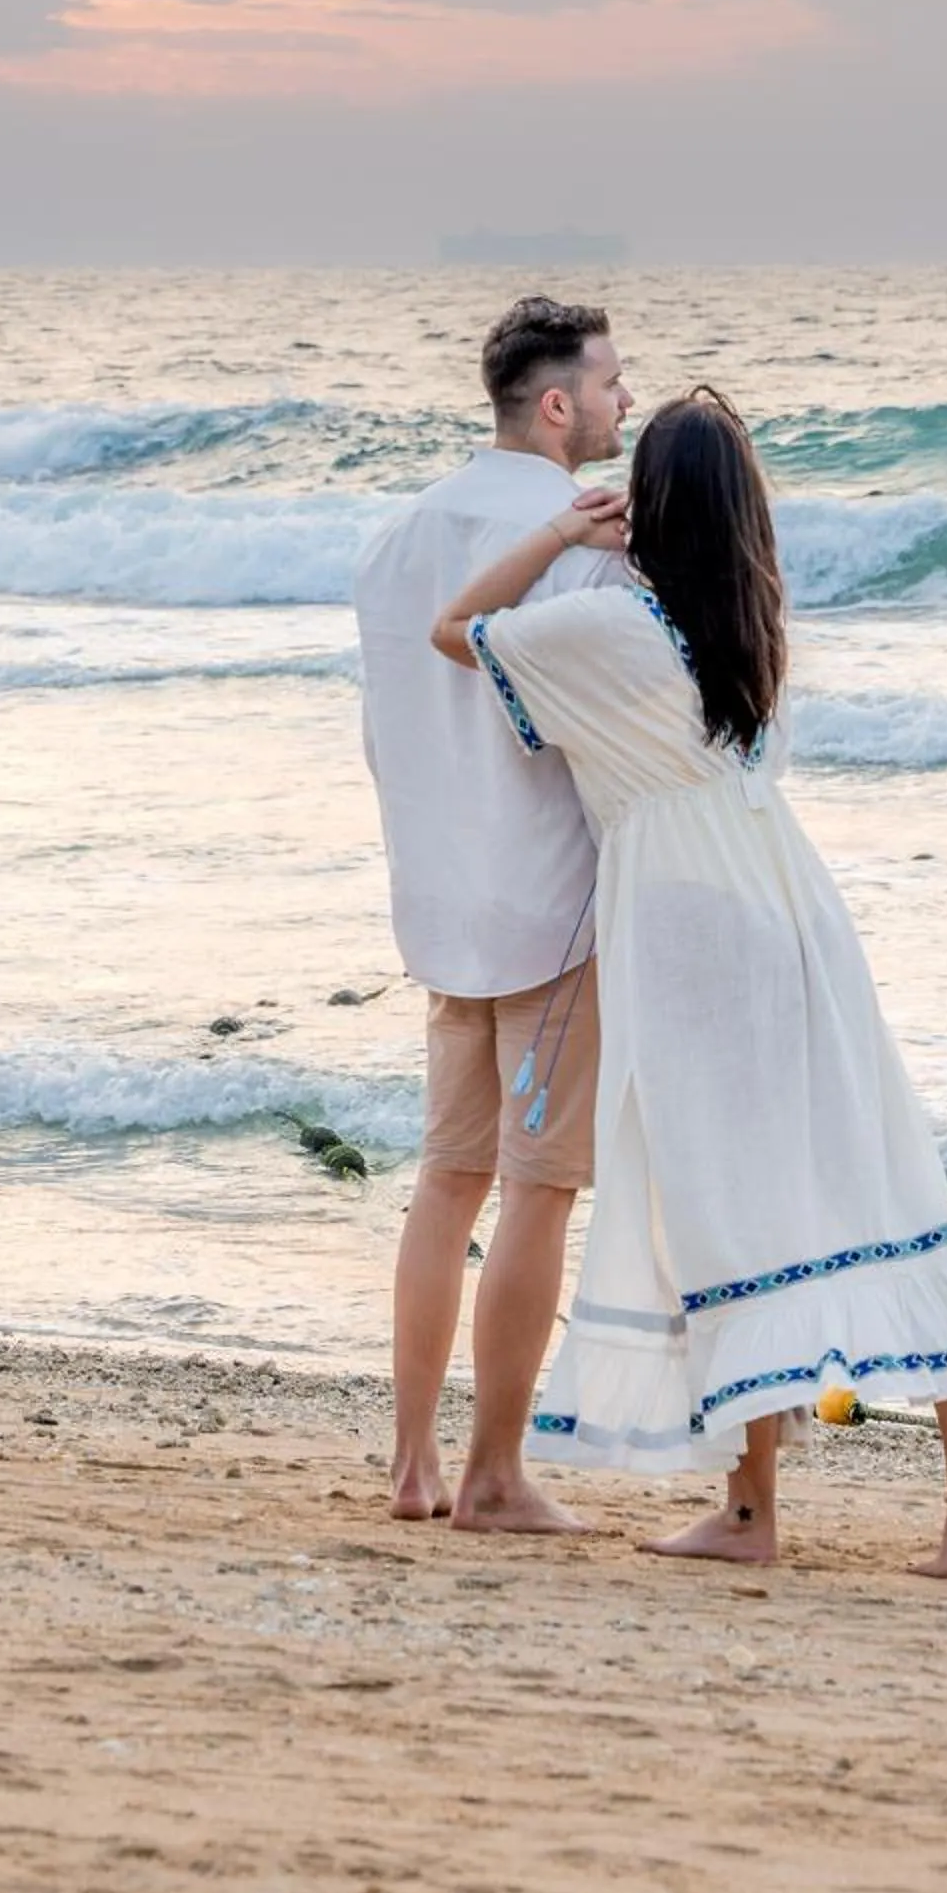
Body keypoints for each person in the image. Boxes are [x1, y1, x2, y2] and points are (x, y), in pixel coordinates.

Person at [430, 388, 947, 1578]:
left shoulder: (609, 630)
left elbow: (455, 629)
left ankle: (752, 1511)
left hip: (687, 925)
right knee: (860, 1173)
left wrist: (558, 533)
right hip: (792, 909)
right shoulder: (752, 635)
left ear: (647, 506)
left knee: (720, 1201)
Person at [354, 295, 633, 1530]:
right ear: (557, 403)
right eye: (613, 385)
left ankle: (413, 1466)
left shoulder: (396, 536)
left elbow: (391, 723)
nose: (626, 403)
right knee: (535, 1190)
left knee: (446, 1180)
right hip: (550, 905)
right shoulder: (584, 540)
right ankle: (494, 1476)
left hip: (440, 899)